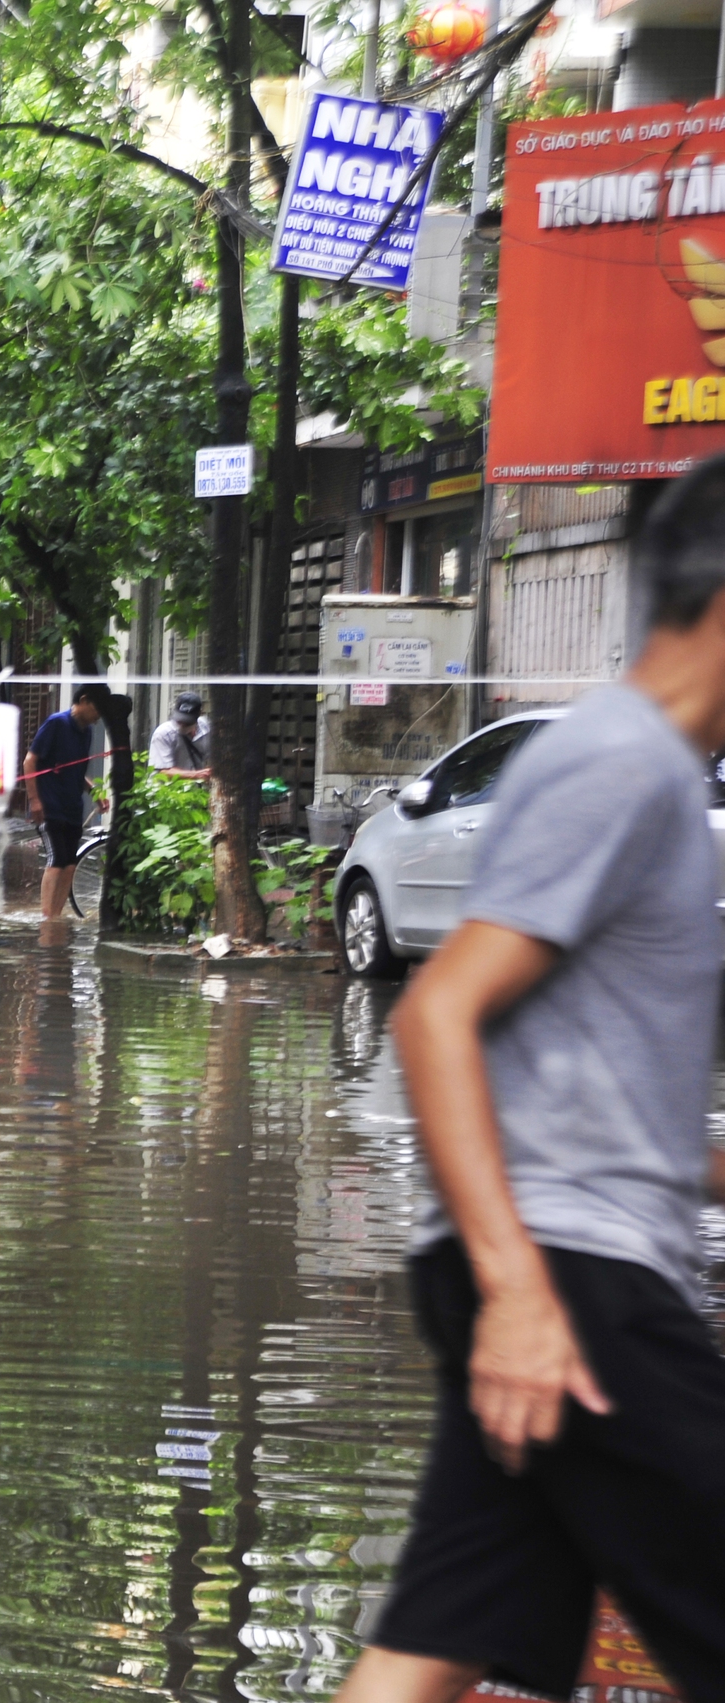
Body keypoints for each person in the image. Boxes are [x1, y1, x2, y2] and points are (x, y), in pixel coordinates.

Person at [332, 455, 725, 1703]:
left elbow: (589, 1090)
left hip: (547, 1267)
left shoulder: (636, 766)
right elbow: (437, 1012)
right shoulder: (628, 760)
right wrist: (518, 1294)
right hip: (571, 1285)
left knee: (427, 1653)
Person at [21, 685, 101, 919]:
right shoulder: (56, 723)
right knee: (56, 861)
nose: (98, 717)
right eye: (96, 709)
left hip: (72, 808)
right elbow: (29, 762)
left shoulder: (86, 732)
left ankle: (55, 914)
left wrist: (93, 790)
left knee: (70, 864)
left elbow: (74, 770)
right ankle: (47, 918)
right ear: (84, 700)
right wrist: (35, 800)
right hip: (50, 806)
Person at [148, 692, 212, 778]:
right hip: (170, 788)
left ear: (199, 714)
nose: (182, 725)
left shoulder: (206, 727)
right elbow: (162, 770)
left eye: (187, 722)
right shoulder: (163, 734)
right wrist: (196, 774)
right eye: (179, 720)